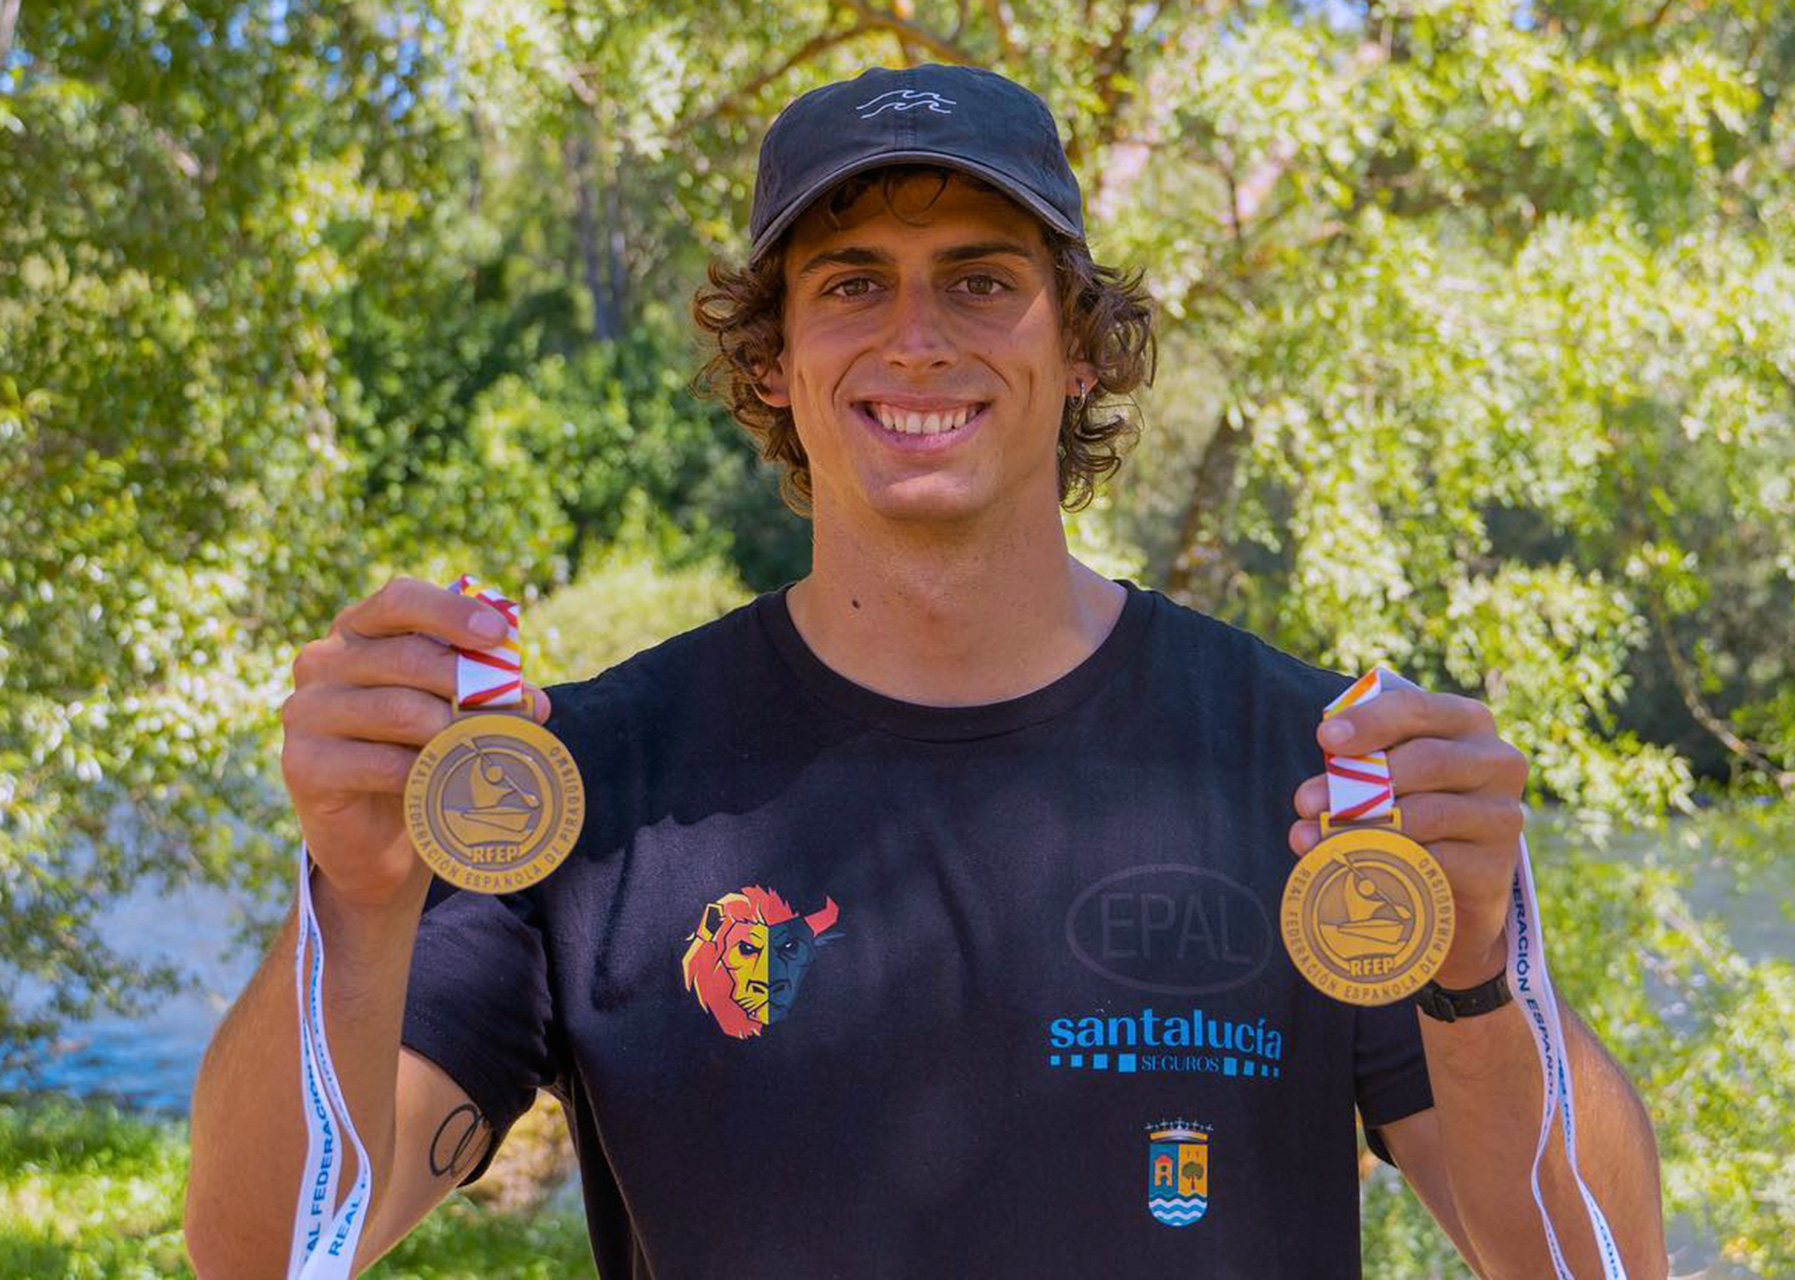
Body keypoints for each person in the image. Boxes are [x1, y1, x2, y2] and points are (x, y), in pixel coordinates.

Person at [183, 63, 1665, 1278]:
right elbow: (258, 1255)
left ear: (1080, 345)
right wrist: (357, 901)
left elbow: (1590, 1265)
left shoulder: (1304, 769)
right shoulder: (591, 783)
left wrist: (1480, 968)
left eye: (979, 282)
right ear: (771, 358)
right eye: (848, 284)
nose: (914, 338)